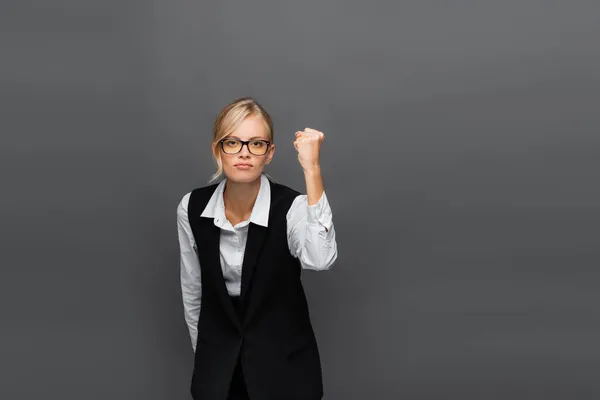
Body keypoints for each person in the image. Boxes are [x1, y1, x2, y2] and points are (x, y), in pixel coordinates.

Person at [176, 97, 338, 400]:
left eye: (257, 144)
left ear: (270, 153)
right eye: (232, 143)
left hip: (286, 372)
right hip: (219, 372)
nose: (244, 153)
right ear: (217, 150)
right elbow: (193, 290)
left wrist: (311, 169)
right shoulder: (191, 207)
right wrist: (211, 356)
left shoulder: (292, 207)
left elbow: (319, 259)